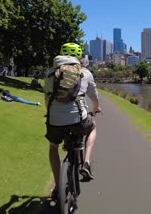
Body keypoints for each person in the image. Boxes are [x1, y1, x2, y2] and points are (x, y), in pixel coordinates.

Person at [44, 43, 102, 198]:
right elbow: (94, 97)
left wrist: (51, 114)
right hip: (78, 118)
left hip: (55, 119)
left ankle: (57, 187)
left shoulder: (50, 73)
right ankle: (87, 163)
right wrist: (96, 108)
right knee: (92, 128)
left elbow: (47, 98)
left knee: (53, 147)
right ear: (79, 57)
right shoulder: (85, 73)